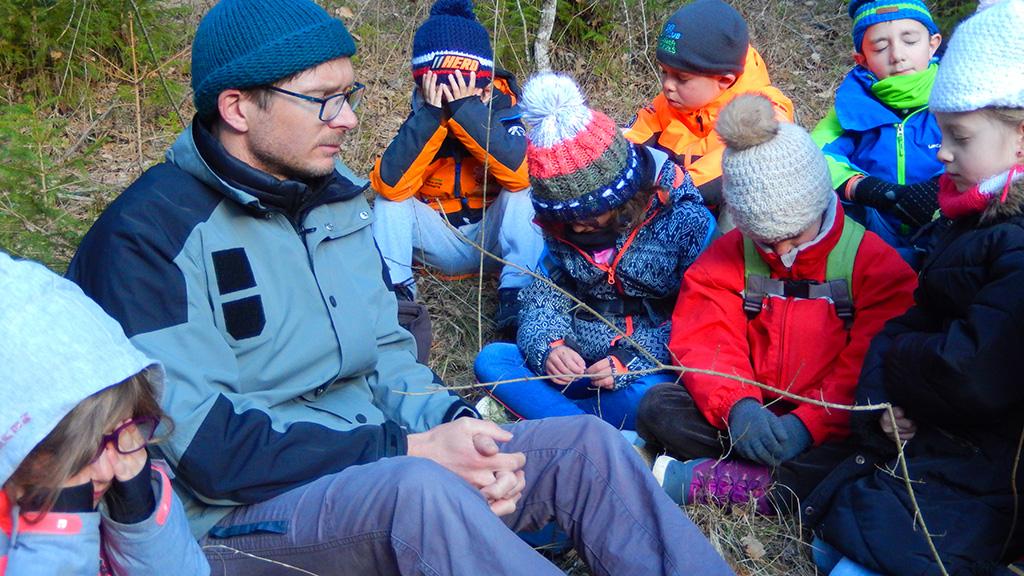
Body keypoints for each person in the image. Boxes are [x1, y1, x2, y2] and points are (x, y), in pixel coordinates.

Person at [63, 1, 735, 574]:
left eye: (348, 96)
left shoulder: (333, 199)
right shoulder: (148, 238)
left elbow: (388, 354)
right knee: (419, 493)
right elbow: (206, 448)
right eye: (325, 99)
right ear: (238, 107)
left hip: (377, 457)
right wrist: (411, 451)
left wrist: (460, 430)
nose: (349, 119)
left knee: (581, 450)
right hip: (235, 518)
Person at [808, 1, 1024, 573]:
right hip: (938, 438)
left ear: (1021, 141)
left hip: (983, 461)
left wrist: (897, 363)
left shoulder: (1012, 242)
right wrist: (882, 407)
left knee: (852, 554)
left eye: (958, 137)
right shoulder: (970, 221)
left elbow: (971, 370)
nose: (943, 152)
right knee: (831, 541)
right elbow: (912, 323)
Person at [636, 94, 917, 515]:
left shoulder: (873, 264)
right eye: (767, 240)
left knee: (871, 451)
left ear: (820, 202)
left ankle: (737, 481)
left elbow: (869, 362)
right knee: (659, 406)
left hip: (828, 424)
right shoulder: (729, 255)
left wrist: (809, 424)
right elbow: (705, 336)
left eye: (794, 235)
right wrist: (737, 406)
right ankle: (771, 480)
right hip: (753, 412)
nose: (783, 248)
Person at [474, 73, 714, 431]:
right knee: (493, 361)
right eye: (565, 219)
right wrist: (550, 348)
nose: (577, 228)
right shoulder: (562, 226)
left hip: (646, 371)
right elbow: (544, 296)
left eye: (586, 216)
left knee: (657, 401)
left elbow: (701, 319)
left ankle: (560, 423)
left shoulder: (684, 220)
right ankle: (595, 432)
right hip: (578, 366)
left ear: (620, 195)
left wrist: (633, 361)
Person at [0, 252, 208, 575]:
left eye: (124, 429)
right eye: (86, 451)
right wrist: (59, 536)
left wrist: (139, 511)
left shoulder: (120, 468)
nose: (109, 470)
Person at [370, 0, 542, 332]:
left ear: (485, 85)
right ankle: (396, 295)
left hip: (492, 235)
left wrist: (468, 112)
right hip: (438, 234)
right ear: (424, 86)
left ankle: (519, 293)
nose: (449, 97)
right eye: (440, 88)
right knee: (387, 199)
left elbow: (520, 175)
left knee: (525, 191)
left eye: (460, 88)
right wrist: (433, 116)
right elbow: (391, 184)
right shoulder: (424, 111)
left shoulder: (503, 107)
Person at [623, 0, 794, 227]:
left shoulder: (763, 110)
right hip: (675, 204)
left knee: (745, 196)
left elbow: (729, 163)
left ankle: (728, 261)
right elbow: (634, 135)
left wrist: (659, 193)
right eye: (664, 72)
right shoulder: (672, 102)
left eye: (681, 77)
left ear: (724, 80)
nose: (667, 85)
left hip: (720, 222)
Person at [811, 0, 944, 267]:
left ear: (932, 44)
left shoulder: (959, 99)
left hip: (945, 226)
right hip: (874, 231)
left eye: (910, 40)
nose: (897, 55)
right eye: (880, 47)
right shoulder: (852, 107)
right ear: (861, 59)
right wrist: (865, 188)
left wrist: (942, 191)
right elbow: (811, 154)